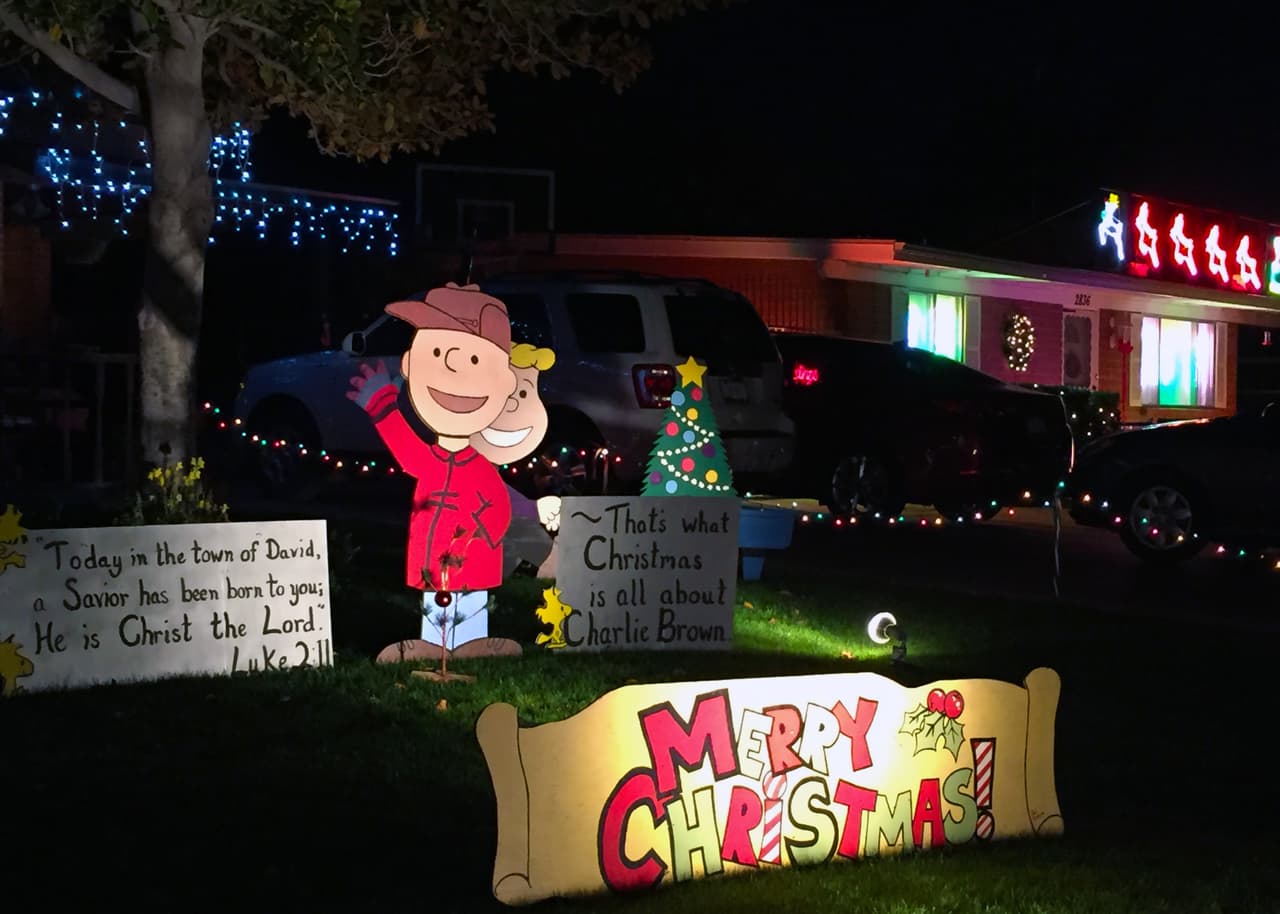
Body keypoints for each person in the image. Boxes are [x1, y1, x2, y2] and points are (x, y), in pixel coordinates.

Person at [347, 283, 516, 648]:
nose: (453, 365)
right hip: (431, 552)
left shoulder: (481, 468)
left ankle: (470, 643)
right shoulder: (432, 460)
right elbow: (410, 454)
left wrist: (473, 534)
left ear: (504, 382)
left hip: (469, 558)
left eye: (473, 359)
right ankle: (435, 645)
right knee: (435, 603)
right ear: (410, 364)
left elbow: (499, 510)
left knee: (468, 602)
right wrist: (383, 408)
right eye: (438, 351)